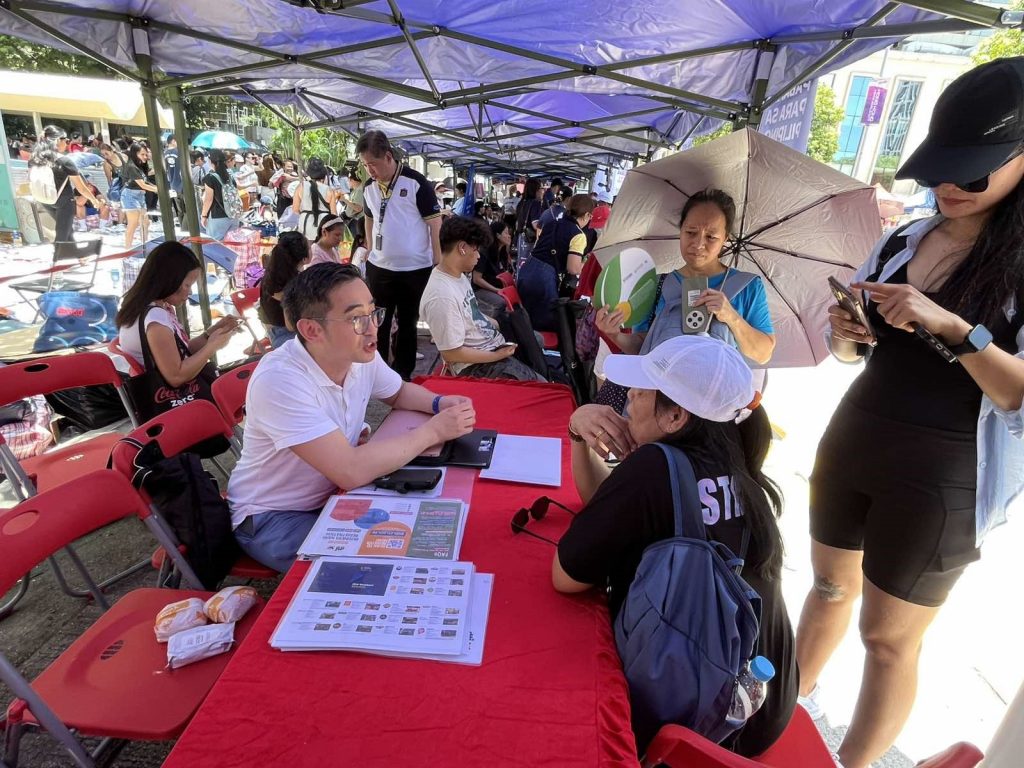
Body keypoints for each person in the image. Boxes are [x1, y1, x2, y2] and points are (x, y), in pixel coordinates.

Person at [795, 57, 1024, 768]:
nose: (950, 185)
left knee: (888, 639)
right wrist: (845, 328)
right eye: (940, 169)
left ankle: (853, 762)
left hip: (942, 473)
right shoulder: (905, 239)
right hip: (855, 439)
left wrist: (957, 329)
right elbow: (849, 356)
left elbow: (1016, 392)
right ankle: (780, 717)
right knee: (828, 588)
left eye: (973, 171)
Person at [553, 335, 796, 757]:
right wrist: (580, 433)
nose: (628, 397)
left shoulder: (655, 467)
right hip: (764, 707)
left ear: (675, 416)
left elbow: (566, 576)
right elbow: (607, 507)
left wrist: (582, 428)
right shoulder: (737, 457)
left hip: (698, 727)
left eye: (642, 392)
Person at [228, 262, 477, 572]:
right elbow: (349, 470)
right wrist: (433, 432)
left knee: (425, 527)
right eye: (356, 318)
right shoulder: (280, 381)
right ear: (311, 330)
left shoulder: (357, 355)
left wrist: (440, 403)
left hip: (333, 493)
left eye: (373, 312)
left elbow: (398, 392)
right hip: (273, 516)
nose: (374, 328)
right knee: (380, 562)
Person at [594, 189, 775, 413]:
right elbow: (643, 348)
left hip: (711, 411)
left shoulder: (748, 287)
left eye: (711, 237)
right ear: (680, 231)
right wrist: (615, 334)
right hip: (655, 409)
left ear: (725, 239)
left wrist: (732, 317)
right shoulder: (659, 284)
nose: (698, 244)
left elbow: (763, 353)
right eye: (691, 232)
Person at [357, 130, 442, 380]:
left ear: (388, 156)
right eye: (365, 165)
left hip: (415, 269)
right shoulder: (369, 187)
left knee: (407, 323)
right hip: (380, 268)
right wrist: (371, 248)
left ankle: (402, 373)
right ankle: (378, 371)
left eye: (372, 164)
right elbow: (369, 218)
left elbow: (434, 224)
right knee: (379, 322)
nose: (369, 170)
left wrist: (437, 260)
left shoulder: (416, 182)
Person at [420, 216, 544, 382]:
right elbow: (451, 352)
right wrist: (496, 355)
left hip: (490, 347)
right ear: (462, 248)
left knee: (535, 340)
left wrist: (503, 325)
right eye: (476, 249)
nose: (478, 256)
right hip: (475, 367)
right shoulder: (441, 296)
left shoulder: (459, 277)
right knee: (542, 384)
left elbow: (472, 315)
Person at [115, 241, 240, 383]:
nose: (191, 292)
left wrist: (212, 333)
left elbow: (184, 351)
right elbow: (176, 376)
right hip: (172, 399)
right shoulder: (155, 318)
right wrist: (212, 347)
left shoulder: (145, 306)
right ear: (169, 279)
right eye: (187, 285)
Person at [517, 192, 594, 331]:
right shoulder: (578, 235)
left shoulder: (552, 223)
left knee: (526, 320)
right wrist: (587, 264)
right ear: (588, 215)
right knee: (546, 324)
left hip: (527, 270)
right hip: (543, 279)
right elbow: (573, 268)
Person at [28, 126, 101, 260]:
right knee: (62, 233)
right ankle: (56, 265)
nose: (67, 143)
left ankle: (80, 258)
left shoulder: (34, 159)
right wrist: (95, 200)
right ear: (57, 141)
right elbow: (82, 188)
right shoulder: (64, 161)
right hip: (64, 201)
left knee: (66, 228)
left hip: (44, 199)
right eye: (66, 140)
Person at [259, 231, 310, 349]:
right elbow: (291, 326)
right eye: (309, 246)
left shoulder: (276, 274)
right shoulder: (289, 284)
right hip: (285, 334)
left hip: (277, 329)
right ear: (303, 257)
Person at [119, 142, 158, 249]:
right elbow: (142, 184)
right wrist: (158, 190)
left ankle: (144, 246)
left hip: (139, 196)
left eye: (146, 154)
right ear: (135, 154)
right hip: (130, 196)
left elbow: (144, 181)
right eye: (142, 154)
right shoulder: (132, 166)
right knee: (133, 224)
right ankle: (128, 250)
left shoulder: (140, 165)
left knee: (145, 222)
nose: (145, 157)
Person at [292, 156, 339, 242]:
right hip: (323, 227)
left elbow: (295, 209)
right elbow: (334, 214)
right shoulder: (329, 190)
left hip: (305, 225)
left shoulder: (301, 187)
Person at [472, 219, 512, 318]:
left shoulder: (502, 252)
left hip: (497, 287)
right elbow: (476, 279)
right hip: (481, 289)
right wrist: (496, 290)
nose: (509, 236)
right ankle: (495, 324)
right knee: (502, 302)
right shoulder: (484, 252)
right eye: (506, 233)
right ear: (498, 235)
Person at [201, 148, 241, 241]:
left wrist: (203, 215)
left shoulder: (210, 178)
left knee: (216, 246)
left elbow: (208, 199)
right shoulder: (230, 175)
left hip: (217, 217)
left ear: (211, 161)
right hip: (234, 216)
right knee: (232, 245)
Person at [514, 178, 544, 263]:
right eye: (541, 188)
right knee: (530, 265)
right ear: (536, 190)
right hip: (530, 240)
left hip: (520, 238)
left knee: (521, 264)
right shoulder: (536, 203)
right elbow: (536, 225)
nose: (543, 191)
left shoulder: (521, 202)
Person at [164, 136, 184, 225]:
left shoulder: (164, 154)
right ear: (173, 141)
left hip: (172, 184)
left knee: (178, 209)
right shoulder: (179, 152)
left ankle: (181, 226)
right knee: (186, 209)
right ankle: (186, 227)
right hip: (181, 183)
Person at [344, 169, 365, 240]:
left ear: (352, 180)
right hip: (356, 221)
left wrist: (344, 200)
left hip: (358, 221)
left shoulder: (360, 190)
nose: (348, 183)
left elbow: (358, 208)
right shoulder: (356, 190)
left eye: (348, 181)